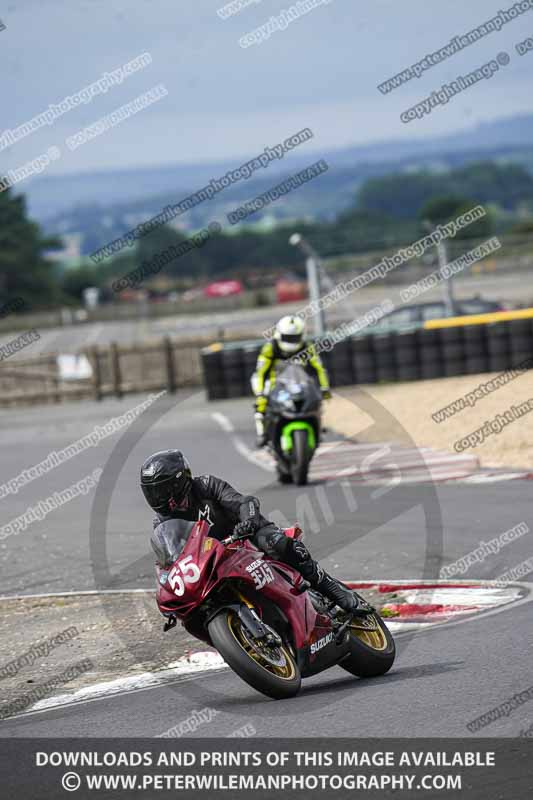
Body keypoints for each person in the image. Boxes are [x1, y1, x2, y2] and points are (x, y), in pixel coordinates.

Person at [141, 449, 359, 614]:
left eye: (162, 490)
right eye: (152, 492)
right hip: (215, 560)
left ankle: (330, 587)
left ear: (179, 481)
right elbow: (172, 559)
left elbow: (245, 502)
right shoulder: (162, 523)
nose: (157, 498)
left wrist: (248, 523)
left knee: (277, 543)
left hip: (246, 536)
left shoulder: (206, 485)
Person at [251, 315, 331, 447]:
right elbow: (260, 373)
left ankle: (318, 429)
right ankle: (262, 434)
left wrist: (325, 388)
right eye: (288, 338)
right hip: (274, 384)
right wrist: (260, 393)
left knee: (317, 401)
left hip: (300, 382)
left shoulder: (307, 347)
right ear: (279, 334)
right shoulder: (270, 348)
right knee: (261, 405)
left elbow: (319, 369)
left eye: (294, 338)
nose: (291, 342)